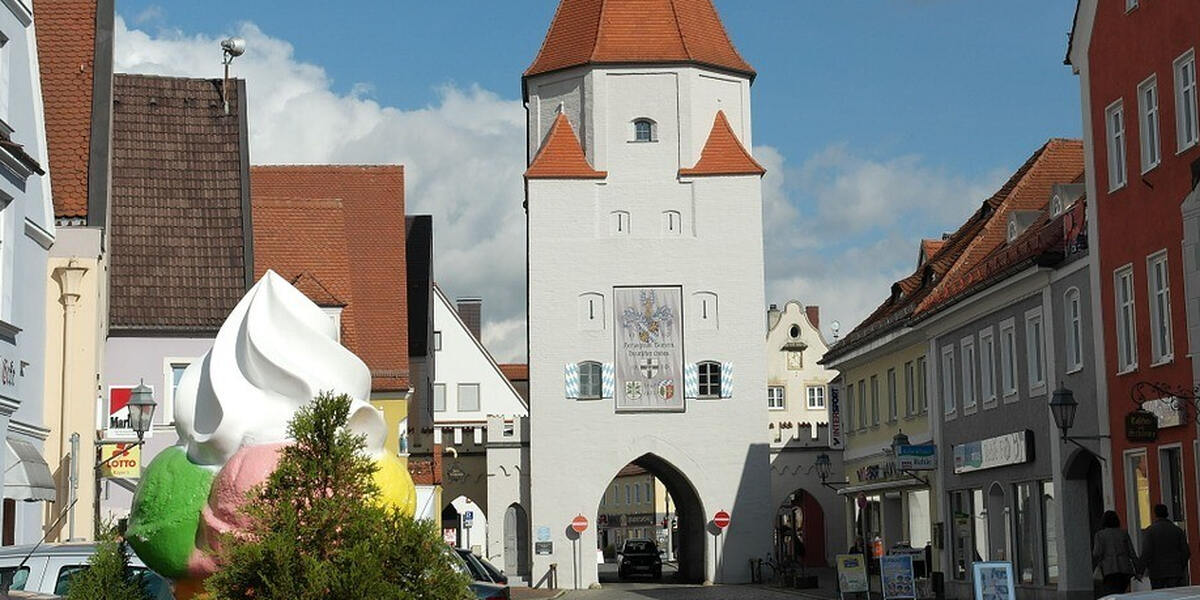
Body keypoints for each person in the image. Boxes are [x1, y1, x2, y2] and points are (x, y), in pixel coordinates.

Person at [1140, 504, 1191, 589]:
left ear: (1155, 514)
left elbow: (1146, 552)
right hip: (1174, 571)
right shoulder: (1177, 530)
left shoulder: (1150, 531)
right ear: (1167, 513)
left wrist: (1140, 570)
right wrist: (1180, 565)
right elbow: (1186, 552)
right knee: (1175, 593)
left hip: (1157, 571)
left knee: (1159, 594)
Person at [1094, 510, 1139, 596]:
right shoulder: (1123, 533)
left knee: (1111, 593)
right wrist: (1138, 570)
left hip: (1108, 569)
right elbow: (1132, 553)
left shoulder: (1100, 535)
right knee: (1122, 592)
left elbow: (1097, 553)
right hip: (1125, 568)